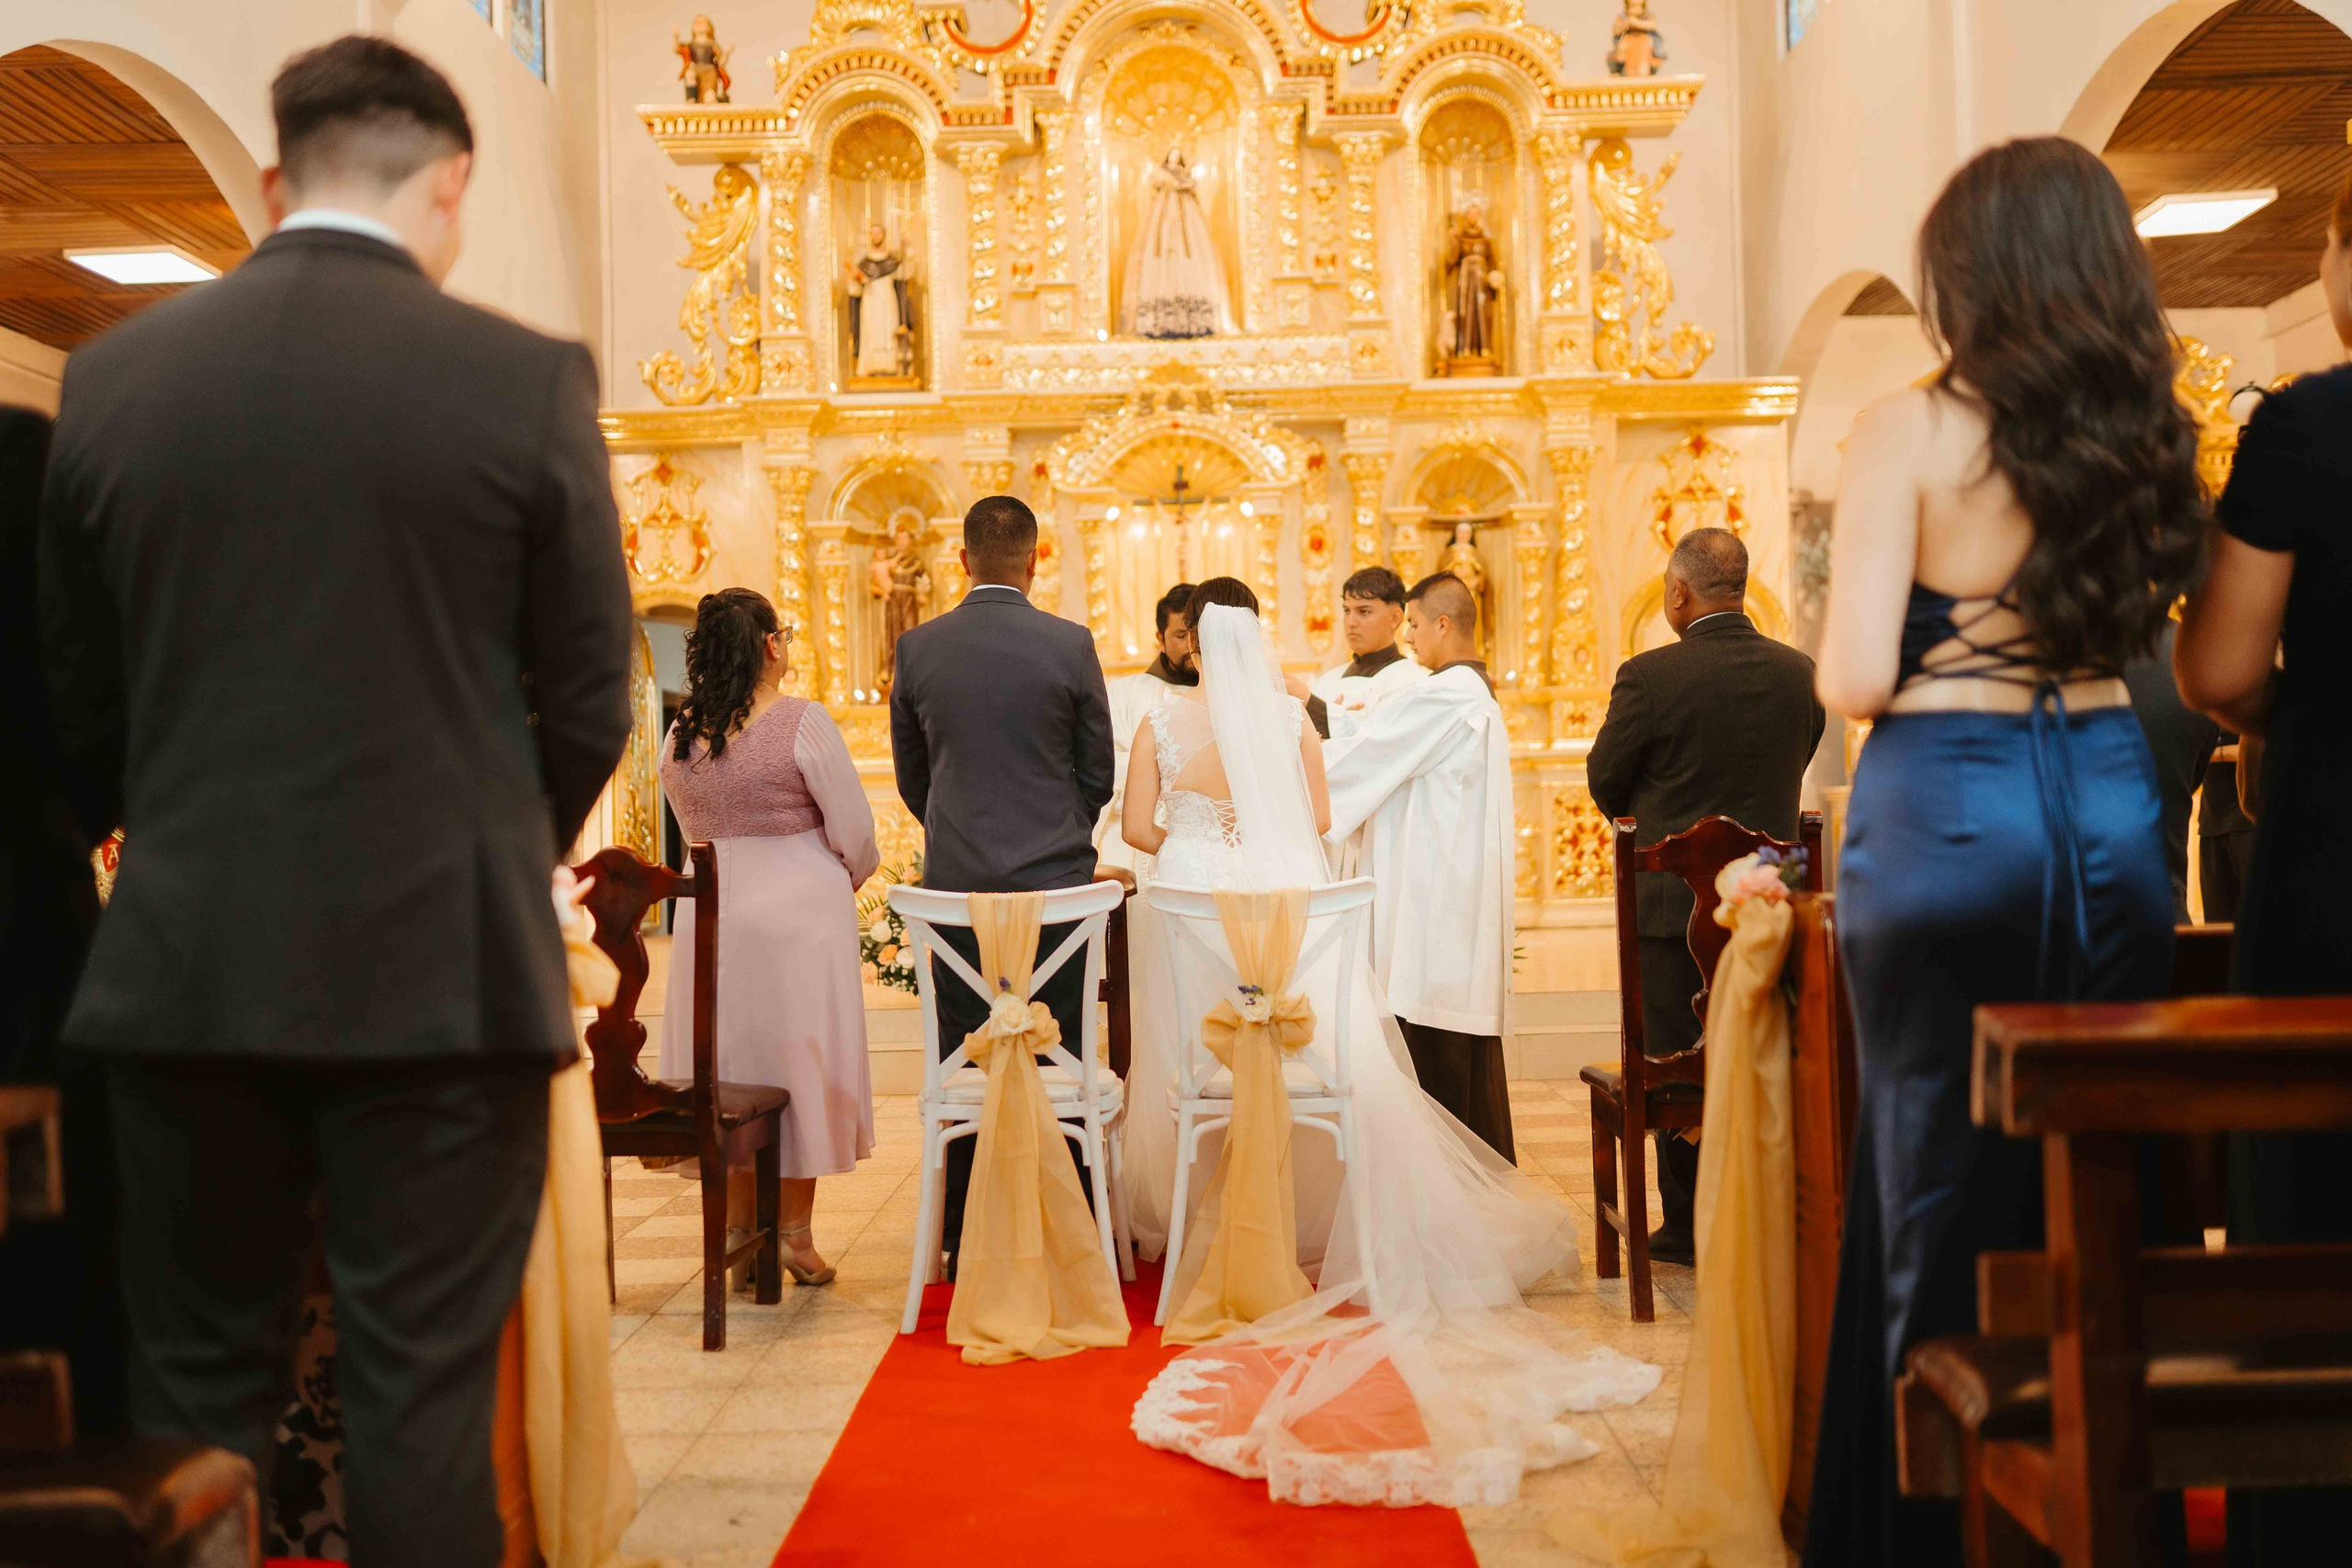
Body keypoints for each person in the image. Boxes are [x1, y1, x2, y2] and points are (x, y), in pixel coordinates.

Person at [35, 37, 633, 1568]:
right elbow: (587, 700)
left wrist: (168, 842)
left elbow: (80, 704)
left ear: (268, 179)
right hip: (441, 970)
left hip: (182, 970)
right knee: (416, 1401)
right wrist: (494, 856)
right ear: (450, 185)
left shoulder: (112, 383)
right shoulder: (519, 381)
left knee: (193, 1390)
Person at [1804, 137, 2201, 1564]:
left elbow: (1853, 679)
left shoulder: (1911, 427)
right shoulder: (2149, 426)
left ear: (1962, 271)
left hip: (1950, 800)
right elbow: (2183, 663)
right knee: (2095, 1140)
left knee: (1930, 1156)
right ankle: (2100, 1497)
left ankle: (1929, 1522)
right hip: (2104, 798)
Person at [1123, 591, 1659, 1506]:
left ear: (1193, 651)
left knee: (1196, 1054)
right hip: (1284, 899)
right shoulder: (1293, 717)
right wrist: (1260, 833)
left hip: (1190, 895)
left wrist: (1201, 838)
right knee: (1313, 1046)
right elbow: (1323, 824)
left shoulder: (1156, 722)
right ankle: (1309, 1231)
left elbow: (1137, 833)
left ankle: (1205, 1219)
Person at [2175, 166, 2352, 1561]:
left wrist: (2272, 705)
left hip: (2336, 866)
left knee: (2313, 1216)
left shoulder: (2307, 427)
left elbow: (2224, 662)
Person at [889, 494, 1116, 1275]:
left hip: (954, 895)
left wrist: (961, 838)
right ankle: (1071, 1231)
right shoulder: (1069, 643)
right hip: (1059, 892)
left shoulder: (918, 648)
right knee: (1064, 1054)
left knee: (967, 1057)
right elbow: (1099, 773)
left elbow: (911, 779)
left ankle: (962, 1234)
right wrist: (1056, 834)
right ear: (1034, 559)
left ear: (960, 559)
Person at [1585, 526, 1825, 1263]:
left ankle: (1690, 1225)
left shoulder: (1649, 676)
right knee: (1764, 1048)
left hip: (1673, 921)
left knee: (1678, 1062)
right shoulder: (1800, 673)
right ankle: (1770, 1212)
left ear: (1679, 593)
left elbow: (1605, 782)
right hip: (1769, 912)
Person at [660, 589, 878, 1288]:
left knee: (731, 1063)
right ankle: (793, 1235)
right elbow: (855, 830)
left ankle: (736, 1229)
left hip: (712, 911)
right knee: (797, 1065)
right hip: (798, 919)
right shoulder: (800, 722)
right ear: (771, 645)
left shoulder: (681, 730)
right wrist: (842, 872)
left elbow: (686, 816)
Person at [1319, 573, 1520, 1161]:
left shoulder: (1448, 695)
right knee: (1451, 1045)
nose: (1408, 637)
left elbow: (1364, 754)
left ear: (1442, 624)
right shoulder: (1464, 694)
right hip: (1448, 897)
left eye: (1411, 623)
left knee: (1435, 1046)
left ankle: (1456, 1193)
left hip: (1434, 904)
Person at [1096, 580, 1197, 880]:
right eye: (1180, 635)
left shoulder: (1226, 696)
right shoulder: (1124, 693)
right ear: (1160, 638)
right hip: (1134, 841)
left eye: (1197, 635)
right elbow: (1102, 765)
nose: (1192, 645)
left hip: (1206, 845)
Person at [2122, 619, 2219, 923]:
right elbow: (2194, 773)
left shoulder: (2042, 650)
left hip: (2056, 933)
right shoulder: (2196, 651)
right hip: (2164, 920)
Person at [1293, 565, 1427, 741]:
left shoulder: (1409, 681)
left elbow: (1381, 749)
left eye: (1364, 611)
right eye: (1347, 611)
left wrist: (1329, 725)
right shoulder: (1328, 680)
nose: (1351, 622)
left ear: (1395, 618)